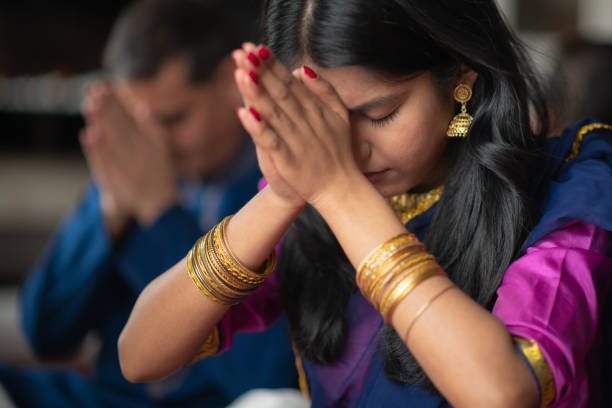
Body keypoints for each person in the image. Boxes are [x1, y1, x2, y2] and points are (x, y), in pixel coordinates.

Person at [118, 0, 612, 407]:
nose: (349, 151)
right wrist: (286, 197)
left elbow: (502, 394)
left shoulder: (573, 184)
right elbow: (139, 355)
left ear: (462, 78)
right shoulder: (315, 191)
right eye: (323, 119)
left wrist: (339, 192)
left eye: (379, 113)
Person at [0, 0, 298, 407]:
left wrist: (159, 210)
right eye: (138, 123)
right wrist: (109, 208)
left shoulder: (278, 185)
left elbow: (267, 381)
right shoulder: (136, 167)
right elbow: (44, 333)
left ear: (233, 82)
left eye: (173, 119)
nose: (154, 144)